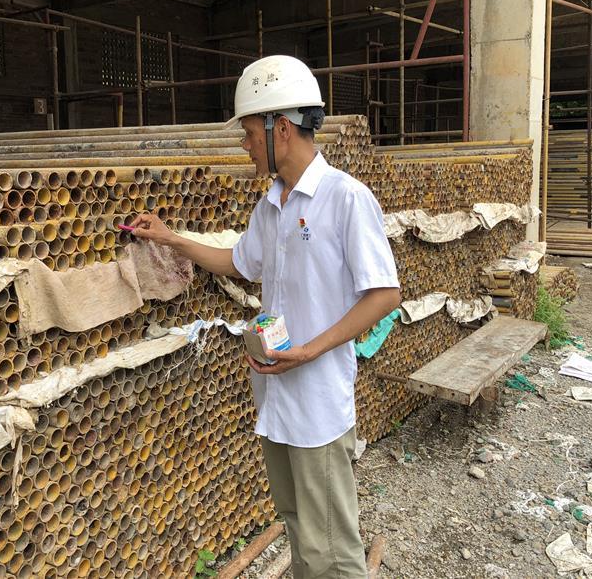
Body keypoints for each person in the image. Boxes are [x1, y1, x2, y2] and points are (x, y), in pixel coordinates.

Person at [130, 55, 400, 578]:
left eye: (250, 133)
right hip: (276, 397)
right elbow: (238, 263)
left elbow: (384, 294)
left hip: (318, 405)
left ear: (282, 129)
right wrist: (170, 239)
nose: (245, 145)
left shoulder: (344, 198)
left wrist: (309, 350)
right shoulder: (271, 206)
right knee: (298, 524)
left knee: (332, 548)